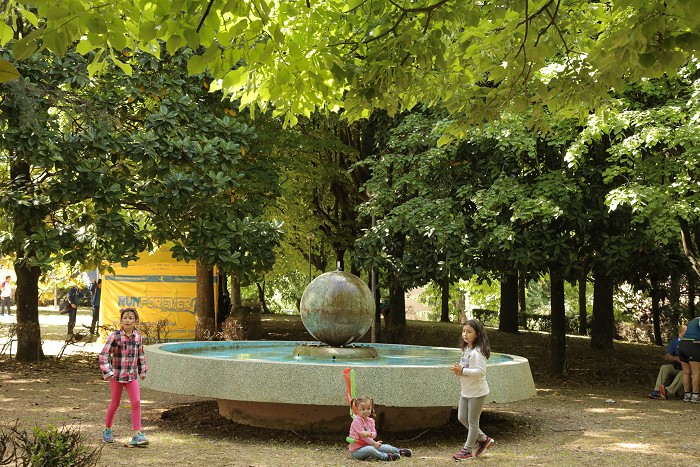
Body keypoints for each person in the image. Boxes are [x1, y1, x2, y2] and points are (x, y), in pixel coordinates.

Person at [99, 307, 149, 446]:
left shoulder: (138, 336)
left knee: (136, 402)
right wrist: (107, 371)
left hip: (131, 376)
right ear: (121, 320)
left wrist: (142, 370)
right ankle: (107, 430)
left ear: (135, 321)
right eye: (125, 318)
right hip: (116, 376)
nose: (127, 320)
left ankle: (137, 434)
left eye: (130, 318)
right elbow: (104, 355)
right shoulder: (115, 336)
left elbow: (141, 354)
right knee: (115, 403)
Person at [450, 319, 495, 460]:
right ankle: (483, 439)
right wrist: (459, 370)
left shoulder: (478, 352)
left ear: (477, 334)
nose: (465, 334)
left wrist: (463, 371)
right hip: (466, 391)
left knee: (472, 421)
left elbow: (481, 372)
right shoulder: (466, 349)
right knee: (461, 417)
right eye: (464, 331)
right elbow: (466, 367)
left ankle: (467, 450)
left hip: (477, 392)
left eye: (469, 332)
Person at [347, 395, 412, 461]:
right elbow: (363, 437)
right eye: (363, 409)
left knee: (383, 447)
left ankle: (399, 451)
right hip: (357, 451)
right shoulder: (357, 421)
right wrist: (374, 443)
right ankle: (386, 456)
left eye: (368, 409)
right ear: (357, 410)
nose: (366, 411)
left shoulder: (371, 421)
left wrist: (369, 434)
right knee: (370, 449)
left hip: (369, 444)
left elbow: (374, 434)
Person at [648, 324, 686, 399]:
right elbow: (667, 356)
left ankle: (667, 391)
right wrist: (676, 358)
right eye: (685, 331)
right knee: (664, 367)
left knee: (684, 373)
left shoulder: (690, 343)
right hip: (675, 367)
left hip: (685, 369)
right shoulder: (674, 342)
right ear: (680, 332)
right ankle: (657, 391)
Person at [679, 316, 700, 403]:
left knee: (686, 372)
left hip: (682, 344)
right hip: (693, 345)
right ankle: (695, 396)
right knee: (696, 372)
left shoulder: (694, 320)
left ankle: (687, 395)